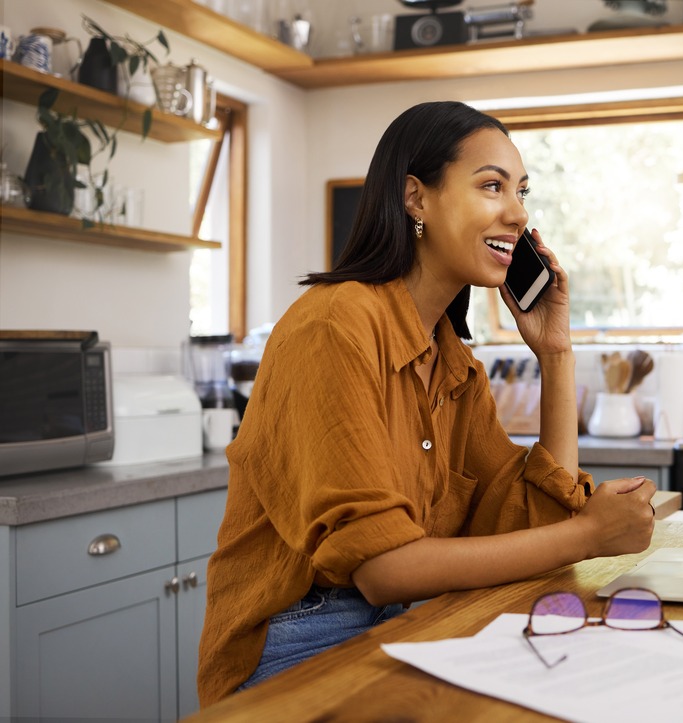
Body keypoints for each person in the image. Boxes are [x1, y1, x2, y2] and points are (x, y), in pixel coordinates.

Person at [197, 100, 658, 705]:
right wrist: (590, 536)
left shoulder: (451, 361)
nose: (517, 213)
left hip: (406, 619)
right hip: (298, 639)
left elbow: (530, 518)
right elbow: (384, 568)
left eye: (521, 192)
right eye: (492, 186)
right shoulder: (334, 326)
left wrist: (557, 355)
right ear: (416, 198)